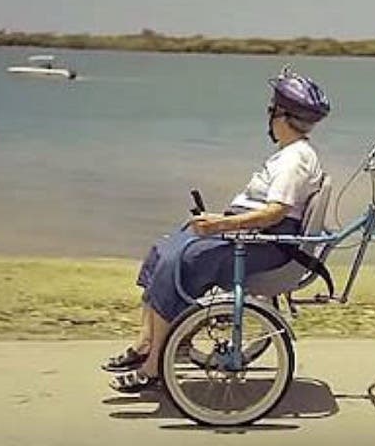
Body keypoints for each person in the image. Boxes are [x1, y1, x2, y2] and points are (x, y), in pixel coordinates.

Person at [104, 66, 330, 392]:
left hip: (262, 245)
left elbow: (274, 213)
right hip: (253, 236)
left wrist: (221, 224)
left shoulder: (294, 160)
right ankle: (146, 345)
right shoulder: (291, 154)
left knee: (175, 262)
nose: (269, 116)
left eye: (271, 110)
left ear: (282, 116)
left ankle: (154, 367)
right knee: (162, 250)